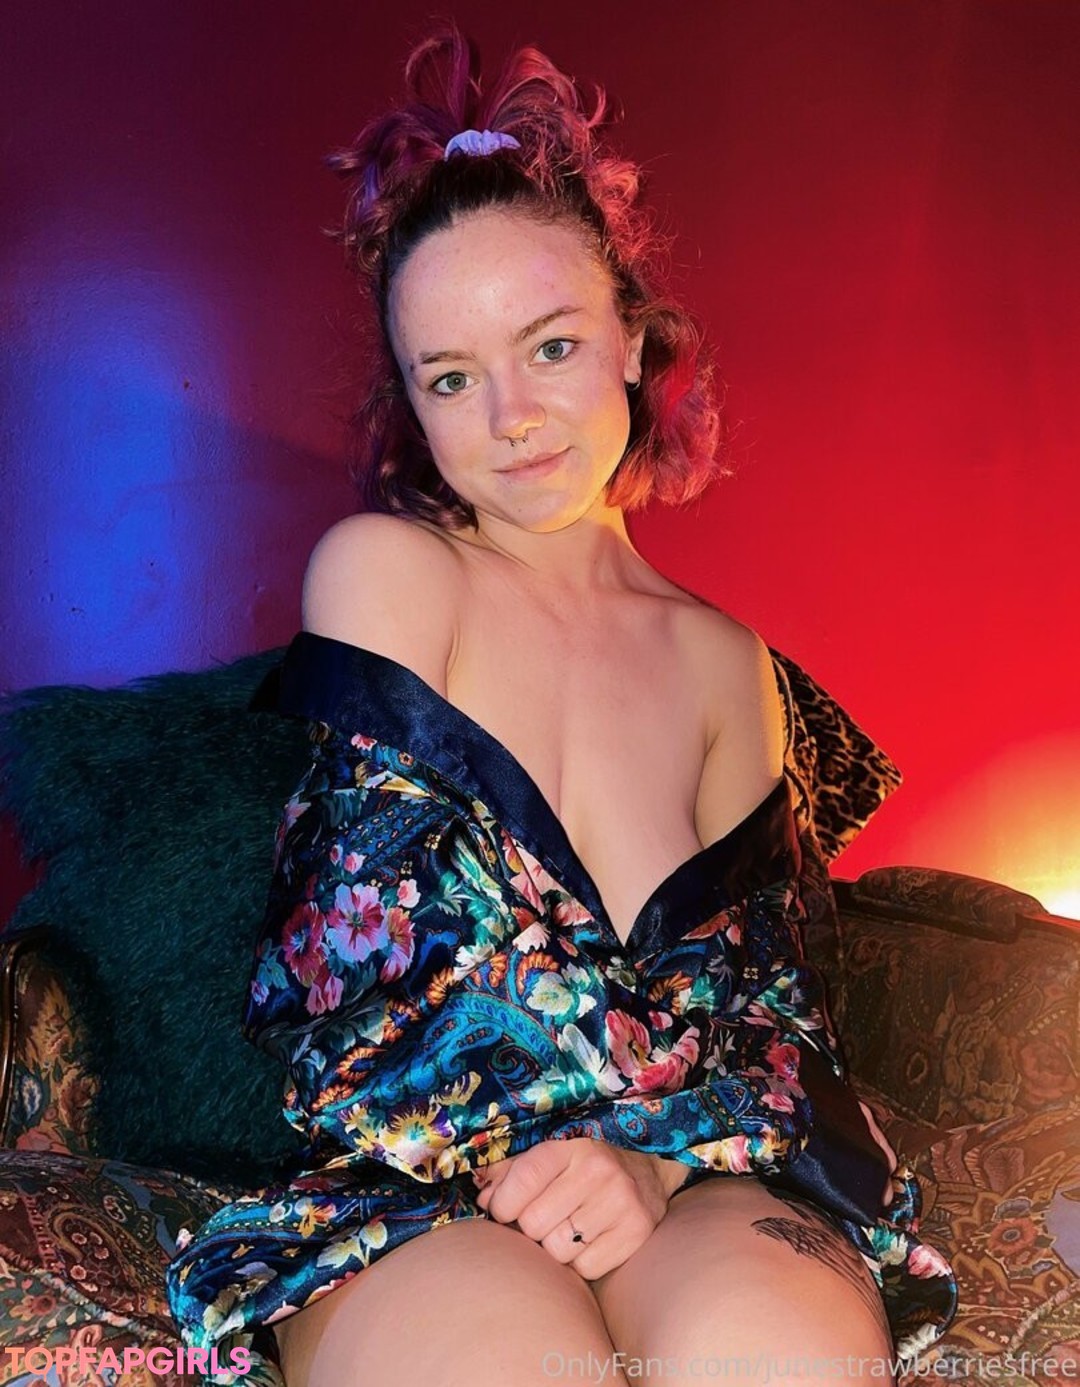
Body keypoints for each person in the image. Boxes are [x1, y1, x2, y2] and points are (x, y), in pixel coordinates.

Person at [165, 27, 956, 1387]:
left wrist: (650, 1164)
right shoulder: (389, 575)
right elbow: (351, 974)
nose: (512, 417)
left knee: (773, 1356)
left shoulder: (729, 664)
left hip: (687, 1174)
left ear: (634, 344)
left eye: (550, 345)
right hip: (427, 1174)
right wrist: (543, 1160)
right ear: (414, 408)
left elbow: (770, 1018)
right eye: (451, 377)